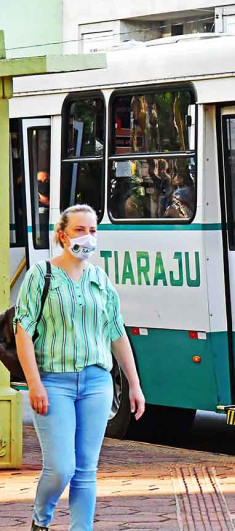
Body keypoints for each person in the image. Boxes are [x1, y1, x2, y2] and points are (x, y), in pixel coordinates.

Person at [15, 204, 146, 531]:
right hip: (53, 383)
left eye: (92, 231)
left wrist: (135, 384)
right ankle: (40, 519)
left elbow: (117, 332)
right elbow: (23, 331)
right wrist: (34, 383)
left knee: (86, 470)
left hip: (96, 382)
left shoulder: (100, 278)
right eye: (79, 230)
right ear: (62, 236)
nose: (88, 237)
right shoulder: (40, 276)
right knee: (61, 467)